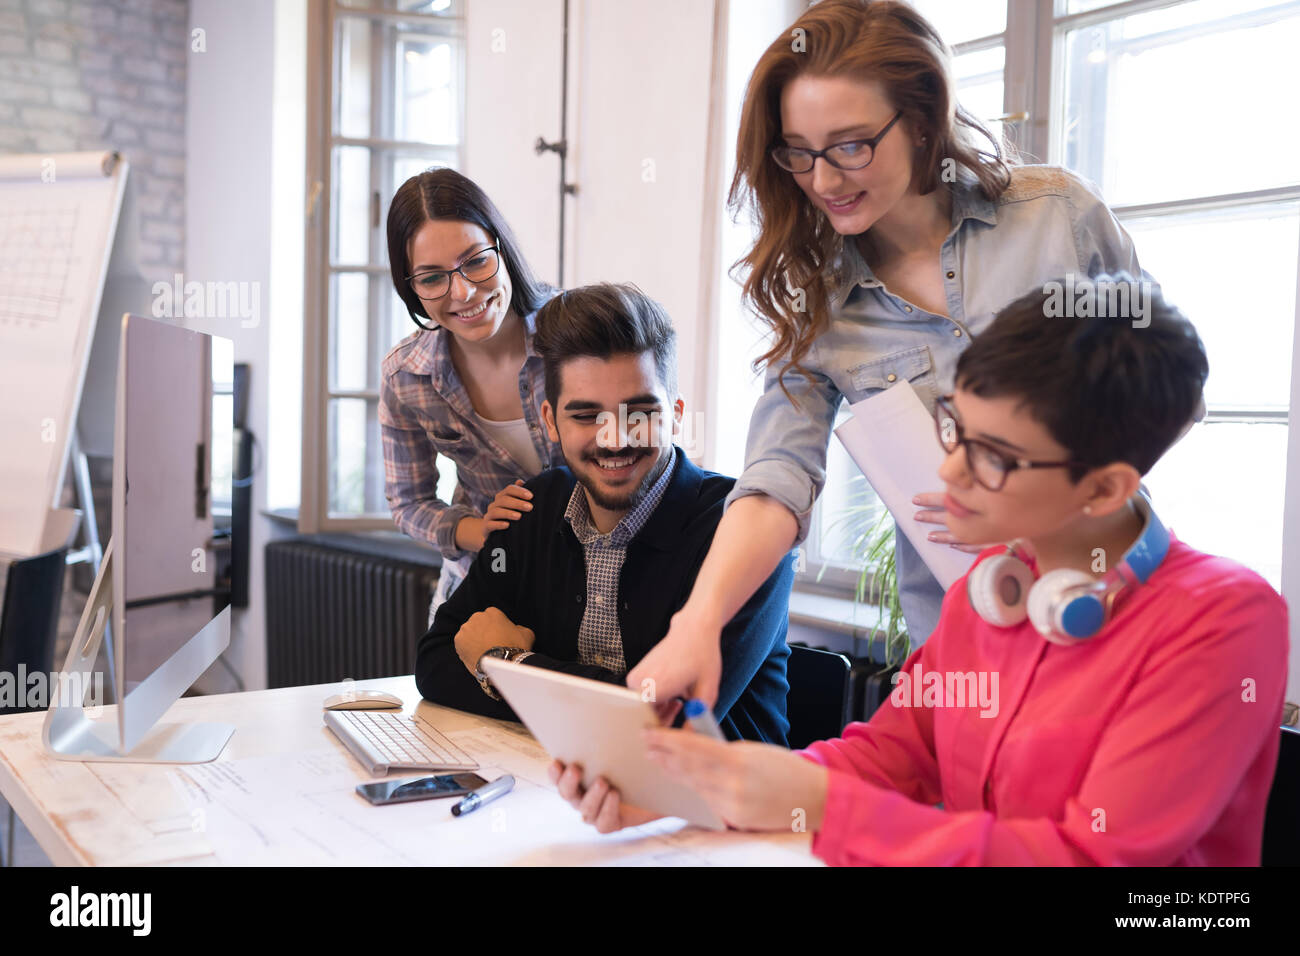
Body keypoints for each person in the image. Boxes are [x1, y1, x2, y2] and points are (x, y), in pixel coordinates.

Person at [553, 277, 1289, 866]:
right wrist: (696, 789)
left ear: (1104, 488)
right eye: (956, 429)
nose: (950, 470)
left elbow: (1094, 859)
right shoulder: (994, 592)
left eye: (994, 456)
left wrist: (820, 803)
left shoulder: (1222, 619)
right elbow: (891, 754)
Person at [628, 0, 1159, 714]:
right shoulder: (817, 300)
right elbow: (776, 478)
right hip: (965, 646)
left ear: (920, 120)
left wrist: (1038, 498)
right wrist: (697, 624)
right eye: (799, 151)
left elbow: (1166, 386)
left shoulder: (1057, 220)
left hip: (1109, 599)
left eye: (851, 145)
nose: (823, 179)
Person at [415, 283, 794, 744]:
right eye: (586, 415)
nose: (614, 438)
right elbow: (435, 662)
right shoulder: (531, 510)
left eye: (638, 412)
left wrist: (506, 663)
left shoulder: (744, 529)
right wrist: (569, 695)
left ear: (674, 415)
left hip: (720, 807)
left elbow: (670, 721)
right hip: (563, 790)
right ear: (551, 421)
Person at [381, 168, 563, 625]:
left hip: (596, 580)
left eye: (476, 261)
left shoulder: (578, 335)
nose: (462, 292)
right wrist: (481, 531)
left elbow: (643, 446)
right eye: (431, 278)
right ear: (411, 287)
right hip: (486, 581)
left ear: (501, 246)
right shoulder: (408, 376)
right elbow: (408, 503)